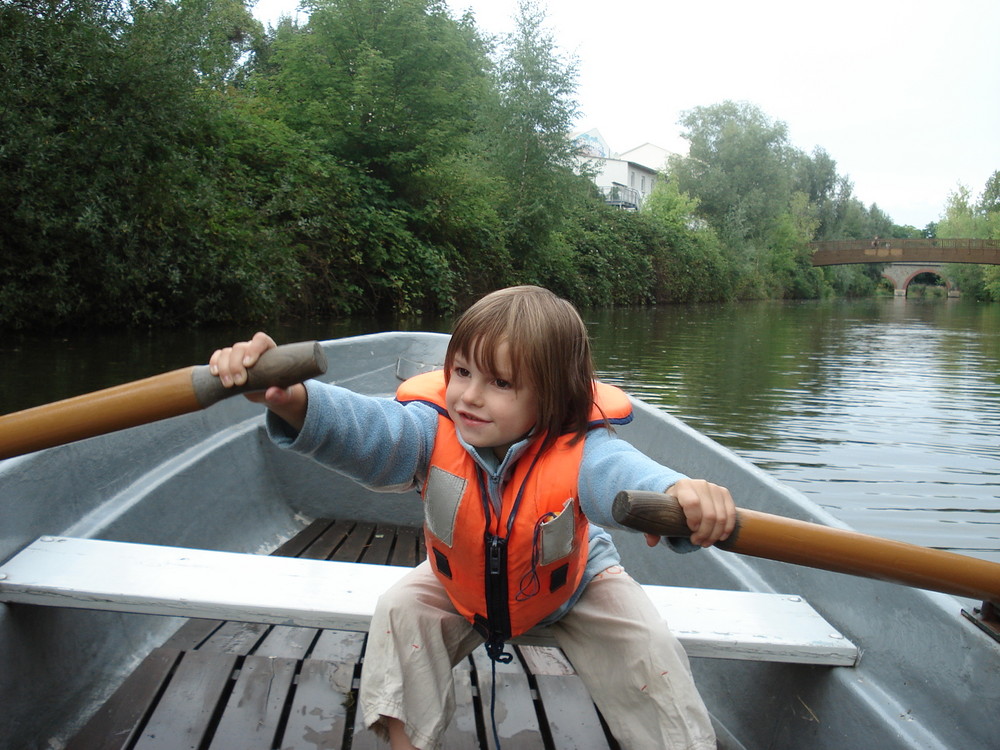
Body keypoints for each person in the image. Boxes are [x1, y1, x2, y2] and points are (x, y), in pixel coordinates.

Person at [210, 285, 736, 750]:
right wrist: (294, 401)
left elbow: (625, 473)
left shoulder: (583, 448)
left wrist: (677, 492)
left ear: (552, 397)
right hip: (459, 580)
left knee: (648, 648)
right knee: (400, 610)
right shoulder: (429, 429)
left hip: (575, 581)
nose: (470, 396)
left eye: (501, 383)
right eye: (461, 371)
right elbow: (368, 432)